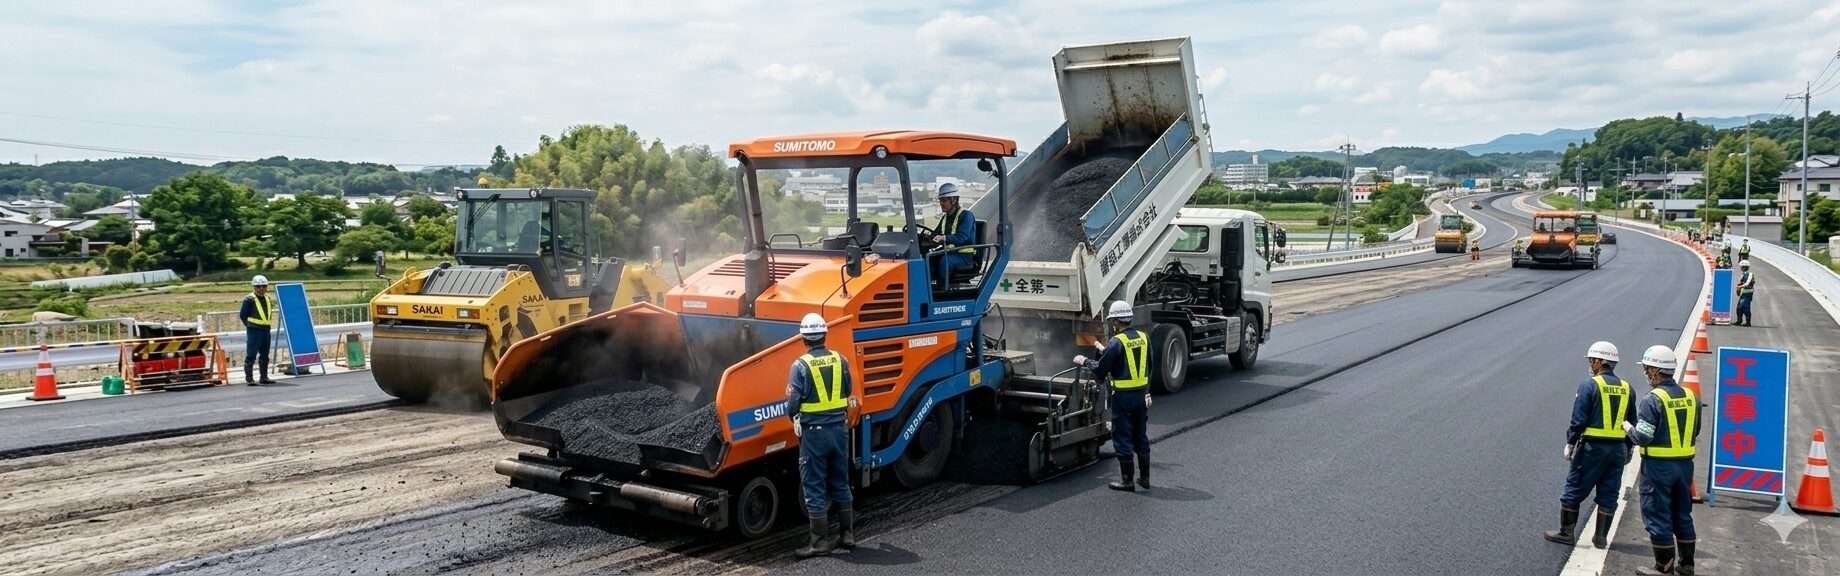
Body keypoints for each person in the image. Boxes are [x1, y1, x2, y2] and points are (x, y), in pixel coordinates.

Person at [1545, 342, 1635, 548]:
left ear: (1599, 362)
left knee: (1574, 487)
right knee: (1609, 491)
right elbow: (1631, 422)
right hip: (1618, 450)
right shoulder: (1627, 388)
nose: (1590, 365)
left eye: (1591, 361)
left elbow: (1579, 419)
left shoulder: (1590, 385)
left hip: (1592, 449)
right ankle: (1601, 537)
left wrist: (1571, 441)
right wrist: (1629, 447)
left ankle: (1566, 533)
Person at [786, 313, 857, 558]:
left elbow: (793, 402)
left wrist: (793, 416)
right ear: (825, 335)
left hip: (814, 435)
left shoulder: (800, 365)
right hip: (839, 430)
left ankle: (819, 543)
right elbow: (847, 390)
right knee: (840, 481)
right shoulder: (841, 360)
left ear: (803, 338)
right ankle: (847, 535)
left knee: (815, 486)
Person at [1625, 345, 1699, 575]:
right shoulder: (1691, 397)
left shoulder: (1652, 400)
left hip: (1658, 468)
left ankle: (1663, 567)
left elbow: (1644, 437)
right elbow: (1695, 431)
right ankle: (1687, 565)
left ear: (1657, 370)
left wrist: (1628, 428)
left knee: (1657, 514)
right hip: (1685, 467)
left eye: (1648, 368)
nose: (1646, 372)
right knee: (1682, 514)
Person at [1075, 301, 1152, 491]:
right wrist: (1147, 391)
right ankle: (1145, 478)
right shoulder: (1144, 337)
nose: (1113, 324)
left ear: (1116, 321)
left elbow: (1101, 370)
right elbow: (1147, 365)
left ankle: (1127, 481)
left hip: (1123, 398)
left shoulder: (1117, 342)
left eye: (1112, 321)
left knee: (1122, 435)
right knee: (1140, 435)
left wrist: (1085, 361)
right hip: (1141, 396)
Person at [927, 183, 977, 289]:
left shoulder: (966, 216)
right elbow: (935, 233)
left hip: (963, 256)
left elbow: (961, 237)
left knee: (945, 262)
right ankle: (928, 290)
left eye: (944, 200)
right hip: (948, 253)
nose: (941, 203)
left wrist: (944, 238)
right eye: (940, 200)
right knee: (926, 259)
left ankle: (942, 290)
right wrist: (927, 238)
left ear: (954, 200)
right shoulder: (945, 218)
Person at [239, 275, 276, 385]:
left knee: (265, 354)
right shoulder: (249, 299)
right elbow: (243, 315)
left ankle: (264, 377)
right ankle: (249, 379)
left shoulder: (268, 299)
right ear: (254, 287)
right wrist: (250, 325)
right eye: (259, 286)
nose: (262, 288)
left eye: (264, 286)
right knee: (251, 355)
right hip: (254, 330)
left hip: (266, 330)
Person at [1735, 260, 1756, 326]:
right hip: (1743, 293)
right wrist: (1738, 288)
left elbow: (1747, 284)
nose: (1741, 268)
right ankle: (1739, 320)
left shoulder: (1750, 274)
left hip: (1748, 294)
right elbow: (1740, 282)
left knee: (1746, 307)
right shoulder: (1743, 275)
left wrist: (1739, 287)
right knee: (1739, 308)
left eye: (1742, 267)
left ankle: (1748, 322)